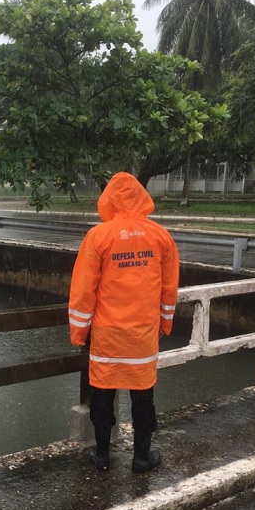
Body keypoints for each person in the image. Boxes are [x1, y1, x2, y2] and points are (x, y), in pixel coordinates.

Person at [68, 172, 179, 473]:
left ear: (108, 200)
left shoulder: (99, 237)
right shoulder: (160, 237)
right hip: (142, 337)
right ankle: (142, 457)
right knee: (143, 397)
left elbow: (83, 291)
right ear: (141, 197)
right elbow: (169, 289)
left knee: (102, 396)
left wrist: (79, 332)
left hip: (108, 336)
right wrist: (165, 325)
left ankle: (102, 456)